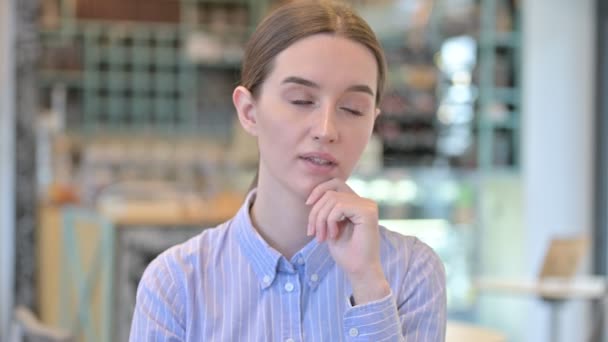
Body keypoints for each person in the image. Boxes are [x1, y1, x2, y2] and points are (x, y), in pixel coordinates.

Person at [129, 1, 446, 341]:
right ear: (249, 112)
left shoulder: (411, 271)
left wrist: (368, 283)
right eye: (301, 100)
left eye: (352, 109)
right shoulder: (176, 284)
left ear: (374, 122)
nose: (326, 129)